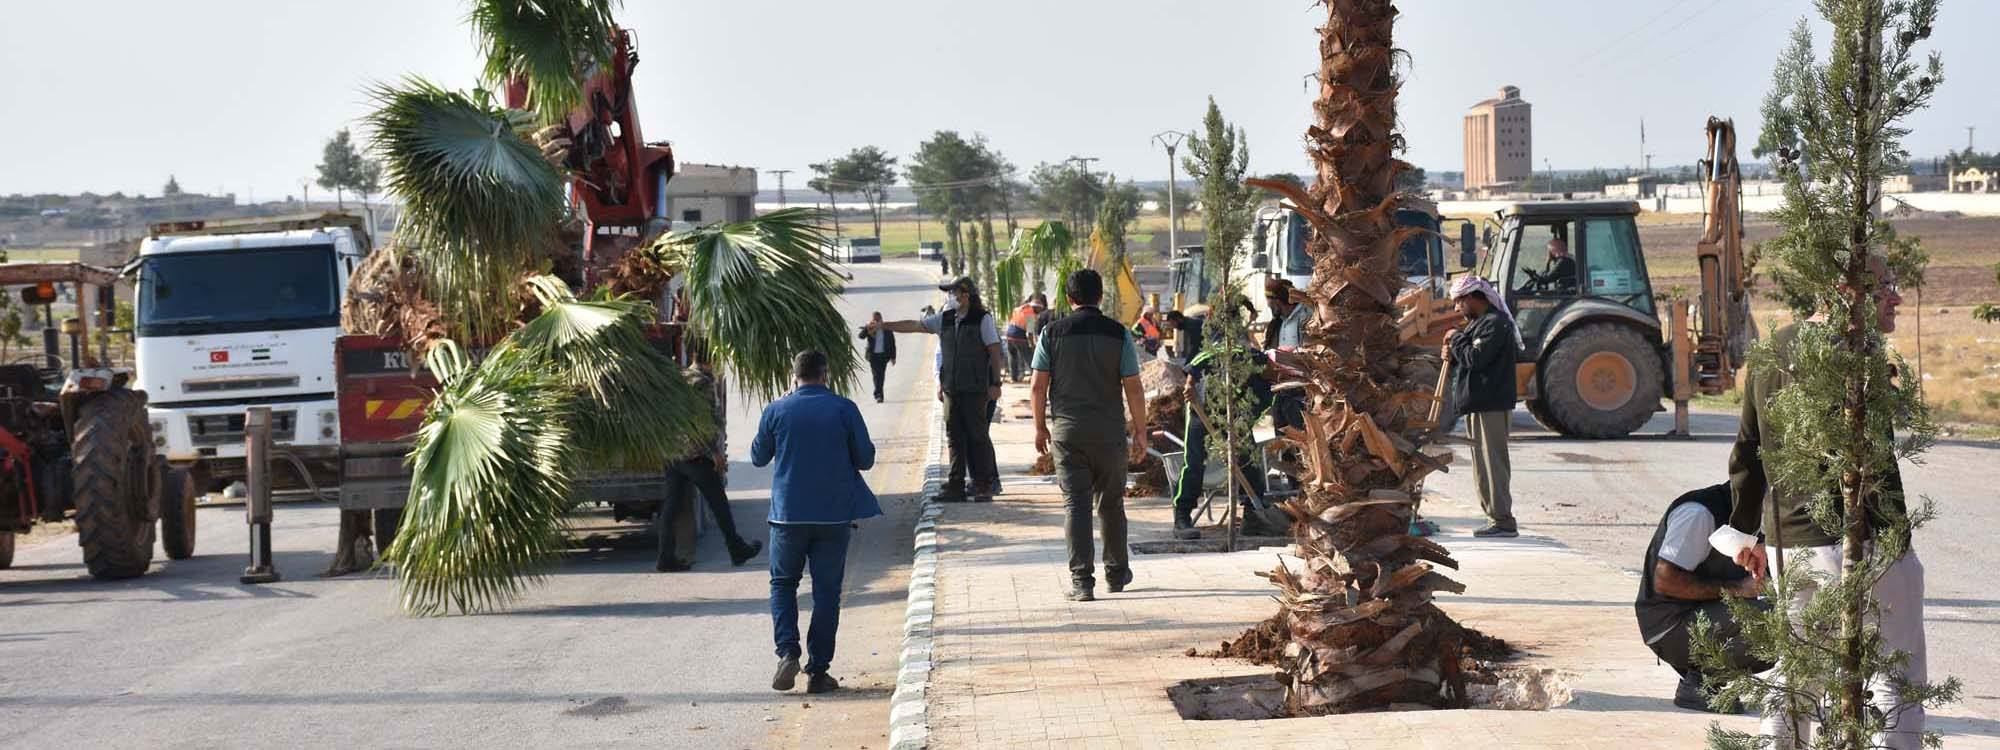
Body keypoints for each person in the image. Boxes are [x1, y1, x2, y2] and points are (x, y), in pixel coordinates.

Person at [1714, 256, 1923, 749]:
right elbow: (1874, 460)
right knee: (1897, 672)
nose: (1895, 296)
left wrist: (1746, 536)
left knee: (1795, 672)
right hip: (1860, 541)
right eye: (1886, 285)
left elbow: (1748, 449)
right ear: (1850, 292)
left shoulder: (1772, 351)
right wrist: (1895, 543)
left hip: (1793, 545)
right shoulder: (1854, 353)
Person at [754, 350, 881, 696]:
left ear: (793, 375)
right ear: (826, 374)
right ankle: (818, 671)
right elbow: (866, 460)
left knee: (782, 585)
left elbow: (757, 456)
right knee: (826, 593)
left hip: (786, 517)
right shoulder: (844, 409)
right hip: (833, 516)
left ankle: (788, 652)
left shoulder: (777, 409)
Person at [1030, 269, 1148, 602]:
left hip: (1068, 434)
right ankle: (1116, 573)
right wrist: (1140, 431)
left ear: (1069, 299)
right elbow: (1134, 388)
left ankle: (1082, 582)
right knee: (1111, 504)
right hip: (1110, 434)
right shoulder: (1119, 333)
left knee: (1076, 507)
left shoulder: (1051, 333)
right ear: (1100, 296)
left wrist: (1040, 427)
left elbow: (1038, 386)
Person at [1634, 483, 1771, 712]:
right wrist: (1738, 589)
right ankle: (1701, 683)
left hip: (1702, 617)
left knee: (1797, 616)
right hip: (1669, 626)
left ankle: (1704, 678)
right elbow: (1665, 580)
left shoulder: (1755, 520)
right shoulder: (1699, 514)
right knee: (1779, 623)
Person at [874, 276, 1004, 501]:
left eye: (954, 292)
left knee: (978, 437)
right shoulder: (944, 318)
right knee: (954, 436)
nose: (950, 296)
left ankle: (982, 486)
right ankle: (956, 486)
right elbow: (915, 325)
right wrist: (884, 326)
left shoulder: (982, 319)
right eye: (949, 292)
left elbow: (994, 351)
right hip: (951, 388)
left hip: (975, 389)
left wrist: (995, 383)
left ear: (967, 295)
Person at [656, 360, 763, 571]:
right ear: (709, 359)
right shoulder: (702, 383)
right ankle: (737, 549)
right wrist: (714, 452)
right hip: (696, 455)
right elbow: (707, 422)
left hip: (672, 454)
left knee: (670, 508)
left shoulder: (676, 378)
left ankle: (664, 557)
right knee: (719, 504)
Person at [1169, 339, 1276, 540]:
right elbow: (1191, 377)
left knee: (1248, 460)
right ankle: (1182, 517)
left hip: (1238, 416)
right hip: (1203, 412)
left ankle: (1253, 515)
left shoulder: (1261, 372)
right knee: (1194, 462)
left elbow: (1264, 401)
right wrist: (1190, 388)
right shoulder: (1215, 354)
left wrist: (1245, 420)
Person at [1442, 275, 1521, 538]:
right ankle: (1493, 517)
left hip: (1491, 404)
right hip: (1477, 404)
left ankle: (1503, 519)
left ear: (1474, 297)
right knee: (1481, 465)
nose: (1456, 309)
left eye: (1458, 302)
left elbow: (1476, 359)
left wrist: (1456, 340)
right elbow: (1465, 359)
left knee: (1493, 462)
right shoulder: (1477, 324)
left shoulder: (1495, 325)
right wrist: (1452, 352)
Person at [1261, 278, 1311, 431]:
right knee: (1276, 428)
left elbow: (1314, 350)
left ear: (1277, 301)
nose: (1269, 307)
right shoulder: (1279, 323)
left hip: (1304, 388)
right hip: (1283, 387)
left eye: (1270, 303)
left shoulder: (1305, 316)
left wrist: (1286, 354)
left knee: (1300, 428)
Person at [857, 312, 897, 403]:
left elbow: (892, 344)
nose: (877, 322)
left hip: (883, 356)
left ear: (881, 319)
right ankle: (878, 395)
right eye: (875, 320)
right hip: (873, 357)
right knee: (876, 376)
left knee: (881, 376)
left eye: (878, 320)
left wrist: (893, 357)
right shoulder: (870, 328)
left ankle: (879, 394)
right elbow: (860, 336)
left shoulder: (887, 329)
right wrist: (867, 328)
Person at [1003, 295, 1045, 383]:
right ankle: (1035, 376)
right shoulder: (1030, 314)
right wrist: (1032, 345)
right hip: (1018, 335)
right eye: (1040, 309)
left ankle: (1014, 377)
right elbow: (1029, 333)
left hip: (1009, 333)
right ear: (1036, 308)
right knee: (1029, 357)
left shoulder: (1021, 308)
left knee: (1012, 356)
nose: (1040, 311)